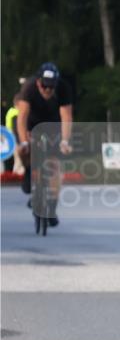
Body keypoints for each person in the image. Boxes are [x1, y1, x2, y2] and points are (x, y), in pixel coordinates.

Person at [14, 62, 74, 226]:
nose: (47, 90)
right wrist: (25, 142)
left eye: (51, 87)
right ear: (38, 82)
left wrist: (64, 141)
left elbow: (66, 117)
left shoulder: (63, 88)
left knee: (55, 166)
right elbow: (22, 117)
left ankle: (51, 207)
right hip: (31, 124)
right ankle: (28, 171)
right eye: (44, 86)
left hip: (53, 125)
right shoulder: (29, 87)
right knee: (23, 148)